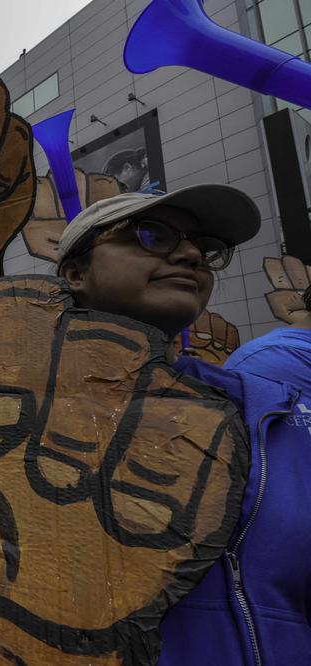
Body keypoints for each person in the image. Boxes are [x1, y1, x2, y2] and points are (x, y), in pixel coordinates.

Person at [55, 187, 310, 664]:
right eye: (151, 235)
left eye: (204, 247)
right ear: (76, 273)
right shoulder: (9, 414)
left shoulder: (274, 411)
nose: (191, 255)